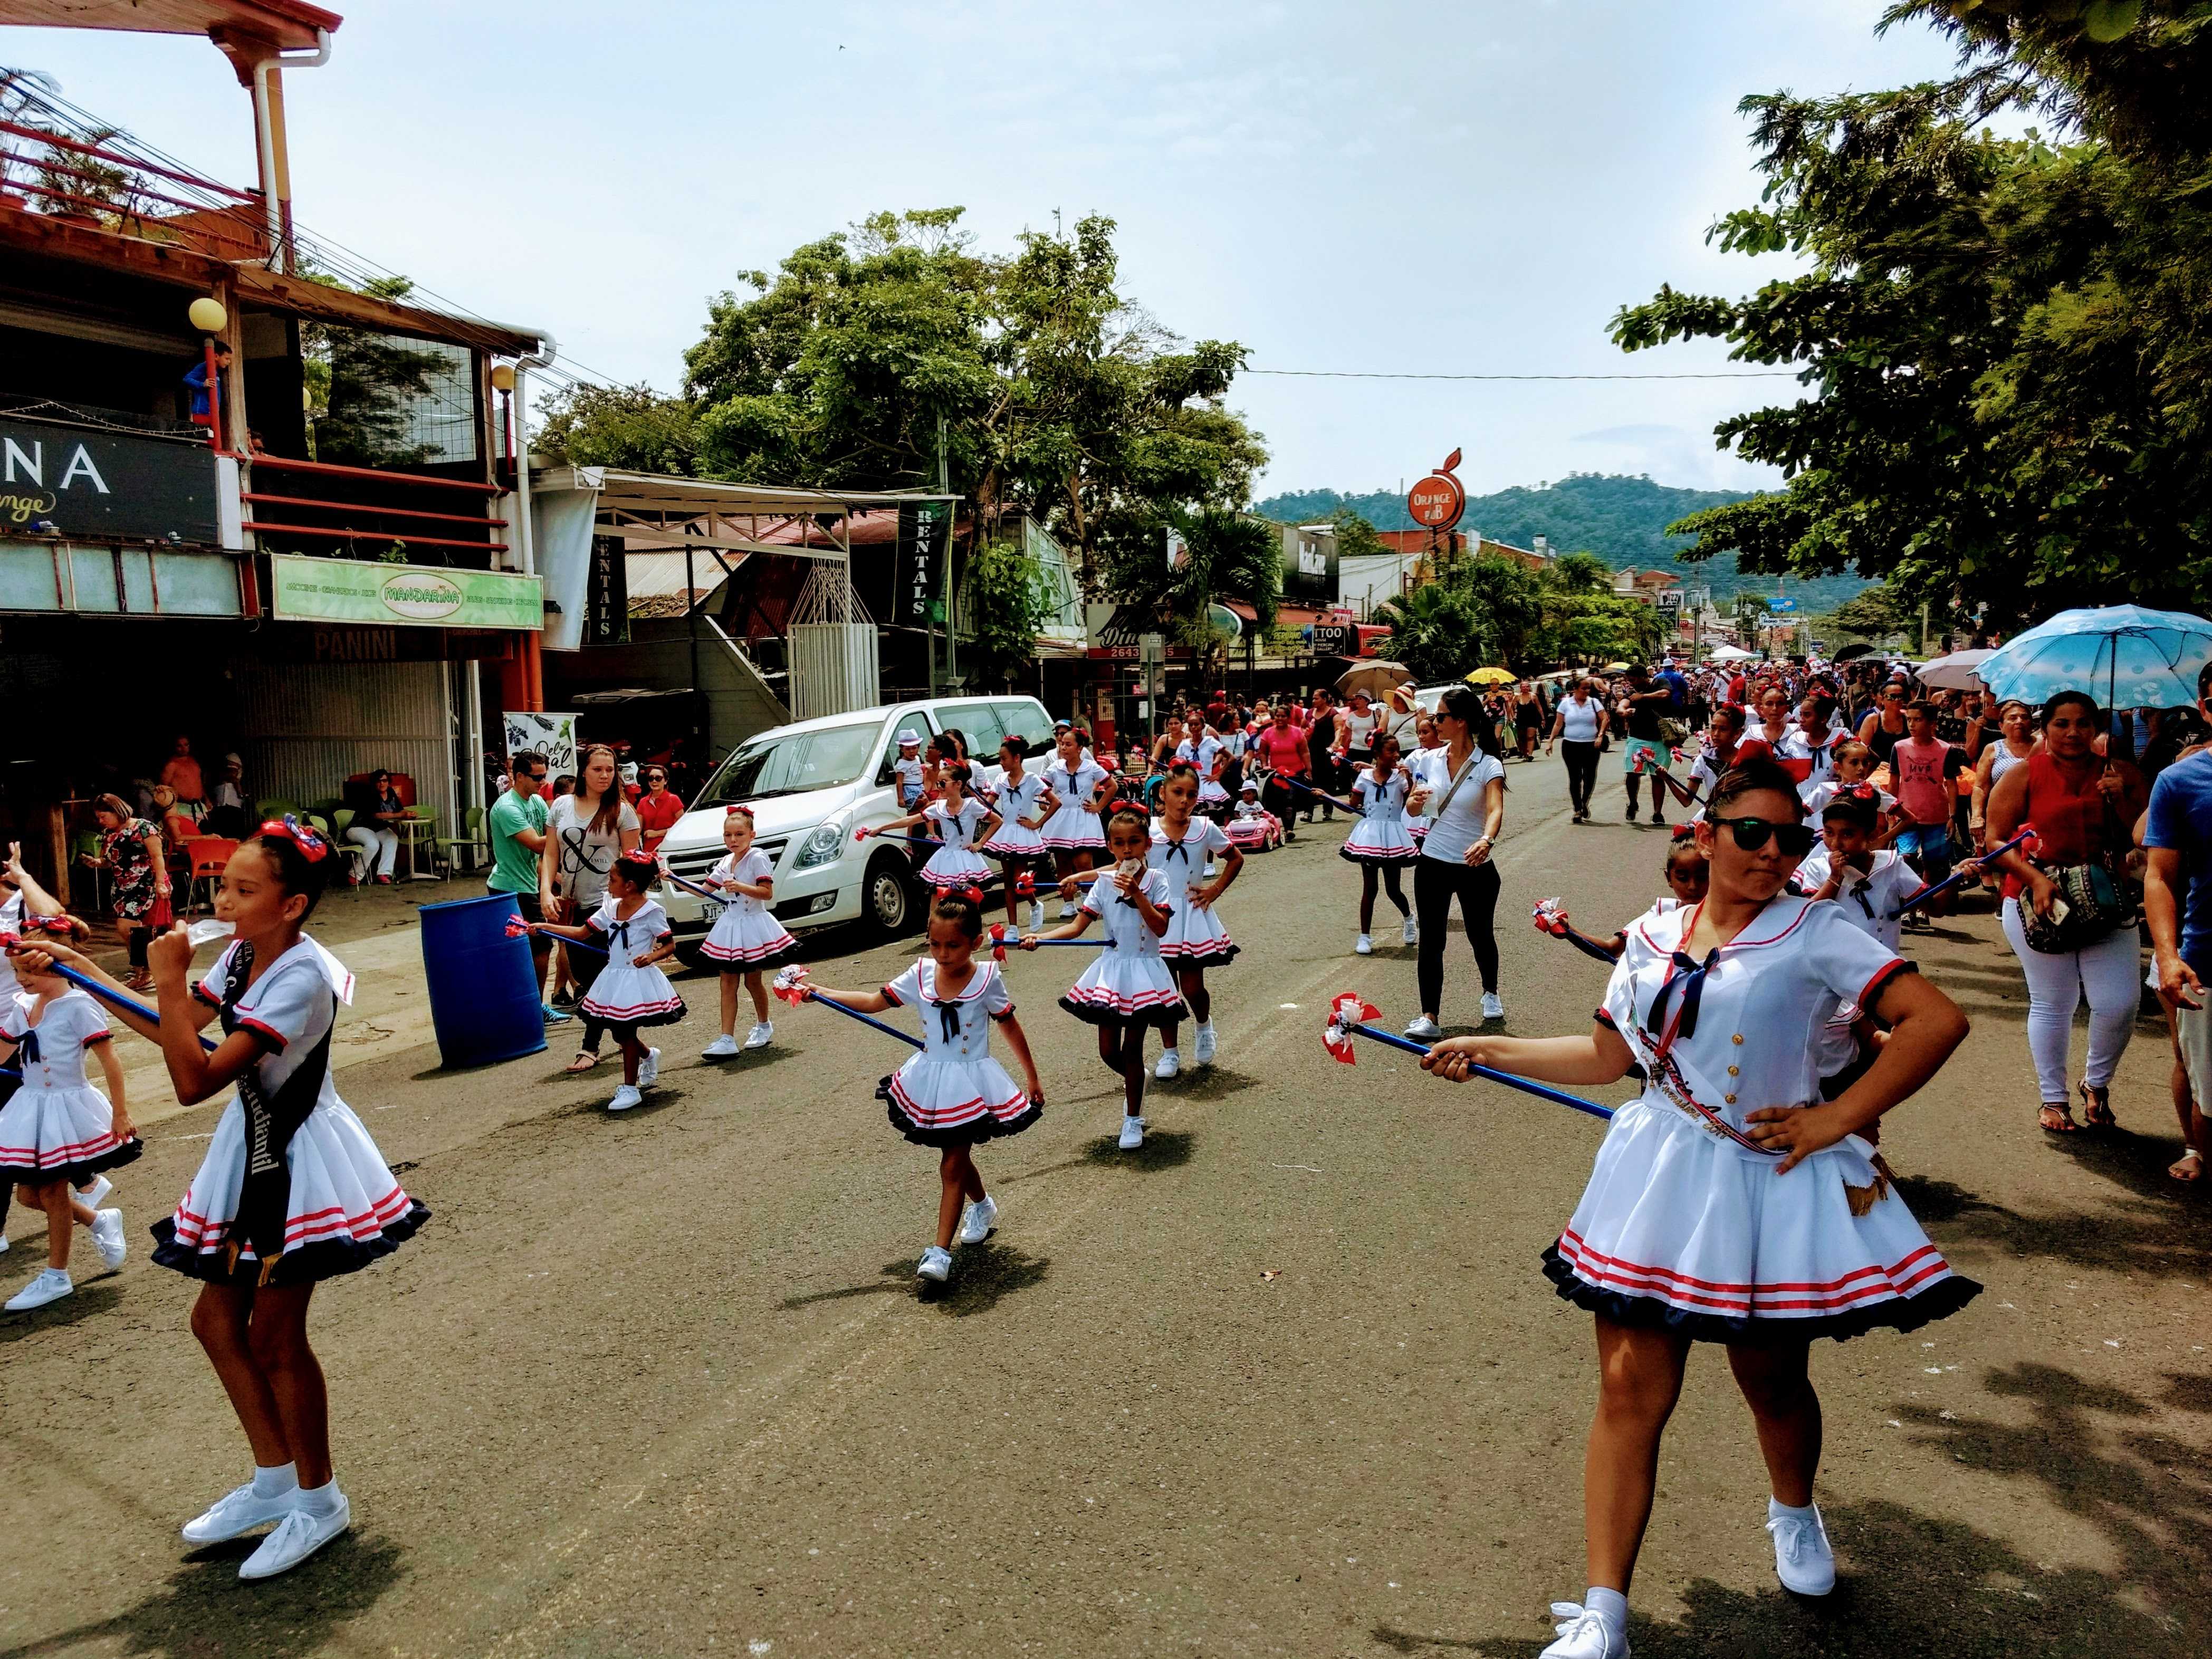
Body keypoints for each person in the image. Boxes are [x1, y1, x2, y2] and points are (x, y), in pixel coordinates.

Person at [1420, 757, 1976, 1656]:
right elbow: (1608, 1060)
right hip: (1657, 1175)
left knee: (1770, 1380)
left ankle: (1792, 1510)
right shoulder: (1648, 932)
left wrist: (1834, 1117)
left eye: (1788, 839)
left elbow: (1934, 1021)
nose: (1768, 853)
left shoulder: (1816, 930)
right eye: (1749, 833)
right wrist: (1490, 1047)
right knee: (1628, 1389)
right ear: (1706, 835)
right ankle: (1604, 1614)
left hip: (1761, 1185)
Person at [34, 819, 427, 1579]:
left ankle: (320, 1503)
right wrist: (79, 966)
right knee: (216, 1321)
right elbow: (173, 1030)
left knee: (278, 1338)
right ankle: (275, 1482)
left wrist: (172, 977)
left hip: (295, 1158)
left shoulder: (302, 976)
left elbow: (192, 1079)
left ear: (292, 905)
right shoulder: (248, 952)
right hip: (250, 1144)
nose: (225, 900)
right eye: (223, 885)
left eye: (245, 890)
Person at [805, 893, 1045, 1282]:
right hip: (931, 1078)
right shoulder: (918, 974)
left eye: (953, 945)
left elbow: (1008, 1025)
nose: (943, 954)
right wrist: (820, 991)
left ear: (975, 942)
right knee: (956, 1155)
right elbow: (871, 1001)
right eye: (935, 944)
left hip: (972, 1079)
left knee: (951, 1162)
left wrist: (1031, 1076)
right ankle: (982, 1205)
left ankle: (939, 1253)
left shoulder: (986, 978)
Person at [1985, 691, 2149, 1134]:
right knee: (2053, 1001)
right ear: (2046, 728)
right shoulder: (2023, 775)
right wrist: (2037, 879)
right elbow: (1994, 841)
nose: (2073, 732)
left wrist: (2124, 800)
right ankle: (2052, 1098)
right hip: (2036, 901)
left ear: (2097, 728)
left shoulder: (2123, 775)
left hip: (2107, 900)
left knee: (2119, 1004)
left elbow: (2147, 837)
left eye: (2082, 723)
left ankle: (2096, 1084)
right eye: (2061, 723)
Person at [1027, 808, 1180, 1149]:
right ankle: (1135, 1086)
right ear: (1109, 847)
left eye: (1134, 842)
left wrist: (1137, 893)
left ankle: (1132, 1118)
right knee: (1108, 1051)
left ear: (1147, 844)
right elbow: (1076, 926)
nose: (1127, 850)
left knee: (1132, 1048)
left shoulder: (1158, 880)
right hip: (1111, 972)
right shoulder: (1103, 882)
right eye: (1119, 843)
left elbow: (1161, 927)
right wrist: (1040, 939)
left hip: (1144, 971)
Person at [0, 923, 135, 1310]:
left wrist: (120, 1112)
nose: (22, 979)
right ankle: (99, 1219)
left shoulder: (79, 1005)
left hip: (66, 1108)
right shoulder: (23, 1007)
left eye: (29, 970)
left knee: (51, 1191)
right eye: (16, 973)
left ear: (57, 965)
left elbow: (110, 1061)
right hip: (31, 1107)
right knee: (28, 1195)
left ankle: (56, 1274)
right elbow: (3, 1051)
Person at [531, 851, 684, 1113]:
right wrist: (545, 927)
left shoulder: (652, 911)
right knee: (617, 1032)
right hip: (614, 976)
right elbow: (581, 933)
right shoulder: (610, 908)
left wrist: (651, 956)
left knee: (626, 1032)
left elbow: (670, 945)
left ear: (630, 885)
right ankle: (649, 1055)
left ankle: (630, 1088)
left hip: (638, 979)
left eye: (612, 879)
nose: (608, 884)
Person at [1404, 684, 1509, 1037]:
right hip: (1432, 861)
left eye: (1440, 716)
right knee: (1431, 940)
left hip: (1474, 865)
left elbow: (1495, 808)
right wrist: (1415, 802)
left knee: (1480, 935)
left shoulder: (1487, 764)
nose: (1434, 722)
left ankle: (1490, 992)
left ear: (1460, 721)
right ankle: (1429, 1017)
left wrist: (1486, 839)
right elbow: (1412, 806)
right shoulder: (1427, 759)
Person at [2144, 673, 2212, 1182]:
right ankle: (2198, 1148)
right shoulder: (2180, 780)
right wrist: (2167, 955)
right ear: (2205, 707)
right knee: (2201, 1083)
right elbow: (2159, 874)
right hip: (2204, 959)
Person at [542, 745, 642, 1073]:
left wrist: (629, 907)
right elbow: (551, 855)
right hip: (571, 903)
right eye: (598, 769)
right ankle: (629, 1038)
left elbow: (634, 865)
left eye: (610, 770)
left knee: (602, 978)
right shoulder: (560, 806)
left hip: (607, 905)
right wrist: (546, 892)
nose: (604, 776)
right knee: (585, 976)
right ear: (583, 770)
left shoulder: (622, 812)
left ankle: (589, 1047)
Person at [1147, 764, 1242, 1078]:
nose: (1184, 800)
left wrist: (1214, 890)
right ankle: (1170, 1052)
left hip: (1189, 915)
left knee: (1192, 987)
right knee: (1164, 990)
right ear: (1163, 793)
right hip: (1157, 917)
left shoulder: (1204, 828)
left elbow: (1235, 858)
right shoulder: (1148, 832)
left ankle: (1204, 1025)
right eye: (1177, 793)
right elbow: (1126, 867)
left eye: (1191, 794)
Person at [698, 806, 796, 1059]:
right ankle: (726, 1038)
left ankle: (764, 1024)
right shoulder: (725, 861)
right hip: (731, 925)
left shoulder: (757, 857)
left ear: (752, 835)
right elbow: (703, 891)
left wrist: (740, 886)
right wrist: (670, 877)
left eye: (739, 834)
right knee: (727, 982)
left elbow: (767, 893)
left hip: (753, 925)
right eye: (728, 835)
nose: (733, 840)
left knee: (753, 981)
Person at [487, 752, 566, 1027]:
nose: (543, 782)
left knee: (539, 947)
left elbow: (550, 838)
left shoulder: (535, 802)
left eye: (545, 775)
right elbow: (537, 843)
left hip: (530, 884)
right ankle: (532, 1006)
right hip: (510, 889)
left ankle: (534, 1004)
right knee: (534, 948)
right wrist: (569, 830)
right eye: (537, 777)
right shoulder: (507, 807)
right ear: (518, 777)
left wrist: (554, 880)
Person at [869, 762, 1000, 895]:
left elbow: (997, 821)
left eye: (943, 783)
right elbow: (910, 820)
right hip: (945, 859)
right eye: (938, 784)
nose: (940, 787)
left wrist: (980, 843)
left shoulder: (971, 805)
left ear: (958, 784)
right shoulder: (939, 807)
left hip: (966, 861)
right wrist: (881, 828)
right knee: (936, 907)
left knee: (970, 902)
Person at [1343, 732, 1419, 954]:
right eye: (1391, 751)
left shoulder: (1401, 779)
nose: (1397, 755)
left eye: (1398, 751)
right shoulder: (1364, 777)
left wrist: (1411, 780)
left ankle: (1408, 918)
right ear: (1377, 754)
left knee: (1393, 889)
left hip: (1393, 835)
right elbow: (1353, 804)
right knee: (1370, 888)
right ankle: (1364, 937)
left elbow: (1411, 804)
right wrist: (1326, 796)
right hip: (1370, 837)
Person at [1888, 703, 1960, 925]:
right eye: (1909, 719)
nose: (1912, 724)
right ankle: (1908, 904)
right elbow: (1894, 781)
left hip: (1937, 815)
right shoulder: (1899, 748)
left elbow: (1952, 784)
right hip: (1907, 815)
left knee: (1932, 863)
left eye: (1918, 720)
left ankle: (1924, 906)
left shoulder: (1945, 750)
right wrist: (1891, 811)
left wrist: (1953, 816)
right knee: (1907, 859)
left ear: (1932, 724)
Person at [88, 793, 168, 992]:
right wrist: (97, 863)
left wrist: (160, 883)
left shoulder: (144, 828)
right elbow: (107, 860)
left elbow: (157, 857)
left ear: (117, 811)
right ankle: (141, 971)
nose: (101, 821)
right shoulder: (109, 833)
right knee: (132, 932)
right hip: (121, 886)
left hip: (145, 883)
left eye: (103, 816)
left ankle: (146, 971)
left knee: (128, 927)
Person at [979, 735, 1053, 940]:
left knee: (1019, 880)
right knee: (1008, 883)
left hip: (1023, 833)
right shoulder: (1000, 780)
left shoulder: (1032, 779)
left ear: (1017, 758)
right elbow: (989, 805)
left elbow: (1055, 802)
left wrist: (1037, 824)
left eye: (1004, 758)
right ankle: (1013, 927)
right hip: (1006, 832)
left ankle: (1035, 904)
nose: (1001, 763)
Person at [1038, 727, 1109, 917]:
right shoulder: (1055, 768)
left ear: (1080, 748)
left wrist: (1099, 806)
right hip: (1061, 819)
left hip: (1084, 818)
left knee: (1084, 862)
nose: (1063, 747)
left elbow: (1112, 785)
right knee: (1062, 863)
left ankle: (1089, 900)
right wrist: (1045, 801)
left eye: (1069, 744)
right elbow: (1042, 788)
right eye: (1062, 744)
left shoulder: (1091, 767)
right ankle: (1068, 903)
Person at [1616, 667, 1674, 827]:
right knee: (1632, 774)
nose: (1630, 683)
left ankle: (1657, 813)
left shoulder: (1660, 682)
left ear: (1643, 677)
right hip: (1637, 739)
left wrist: (1642, 697)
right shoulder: (1632, 692)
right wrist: (1624, 712)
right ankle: (1633, 803)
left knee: (1658, 777)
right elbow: (1622, 705)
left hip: (1660, 740)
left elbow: (1665, 694)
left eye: (1633, 680)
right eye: (1629, 680)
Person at [1546, 678, 1608, 823]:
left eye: (1588, 689)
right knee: (1575, 778)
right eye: (1584, 689)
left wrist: (1600, 735)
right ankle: (1577, 809)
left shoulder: (1594, 702)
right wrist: (1550, 741)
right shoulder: (1566, 704)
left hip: (1591, 746)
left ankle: (1585, 801)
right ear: (1575, 689)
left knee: (1589, 777)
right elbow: (1558, 723)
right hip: (1571, 746)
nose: (1587, 691)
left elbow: (1604, 718)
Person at [1252, 701, 1314, 841]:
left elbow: (1305, 753)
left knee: (1290, 799)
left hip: (1295, 772)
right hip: (1277, 774)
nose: (1280, 719)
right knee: (1280, 802)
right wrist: (1264, 765)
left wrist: (1309, 770)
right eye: (1278, 716)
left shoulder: (1297, 732)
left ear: (1288, 717)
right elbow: (1263, 752)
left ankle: (1289, 829)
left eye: (1283, 716)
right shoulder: (1268, 733)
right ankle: (1280, 828)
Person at [344, 771, 408, 887]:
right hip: (358, 828)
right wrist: (399, 815)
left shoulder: (391, 792)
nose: (382, 784)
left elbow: (400, 809)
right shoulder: (369, 794)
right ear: (374, 783)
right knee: (373, 844)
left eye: (385, 781)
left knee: (392, 838)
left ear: (389, 782)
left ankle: (384, 873)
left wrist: (407, 814)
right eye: (379, 781)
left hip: (378, 829)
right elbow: (377, 815)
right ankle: (354, 875)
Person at [633, 765, 686, 859]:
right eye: (651, 778)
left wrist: (657, 833)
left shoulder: (674, 800)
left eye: (658, 778)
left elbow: (682, 829)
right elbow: (637, 830)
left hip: (669, 850)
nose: (654, 781)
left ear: (665, 781)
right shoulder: (643, 802)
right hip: (649, 854)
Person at [1306, 691, 1344, 823]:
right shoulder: (1309, 713)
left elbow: (1339, 730)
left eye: (1316, 698)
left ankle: (1328, 810)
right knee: (1310, 780)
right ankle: (1308, 812)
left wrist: (1336, 743)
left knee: (1328, 781)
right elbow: (1302, 728)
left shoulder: (1333, 714)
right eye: (1313, 698)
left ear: (1324, 699)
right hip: (1310, 751)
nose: (1313, 701)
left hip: (1327, 752)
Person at [205, 753, 253, 839]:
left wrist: (240, 792)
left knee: (234, 832)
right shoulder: (220, 774)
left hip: (233, 806)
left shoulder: (236, 774)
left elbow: (234, 779)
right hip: (220, 806)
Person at [160, 735, 206, 816]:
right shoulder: (172, 765)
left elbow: (198, 783)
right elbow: (163, 788)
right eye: (179, 746)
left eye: (186, 745)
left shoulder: (194, 762)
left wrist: (207, 799)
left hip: (199, 806)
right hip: (180, 808)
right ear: (175, 747)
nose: (183, 748)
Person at [890, 730, 926, 811]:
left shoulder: (917, 758)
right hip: (910, 788)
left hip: (921, 786)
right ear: (902, 749)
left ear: (918, 748)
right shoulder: (901, 764)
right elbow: (899, 782)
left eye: (914, 748)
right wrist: (901, 799)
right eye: (908, 749)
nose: (912, 751)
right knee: (917, 809)